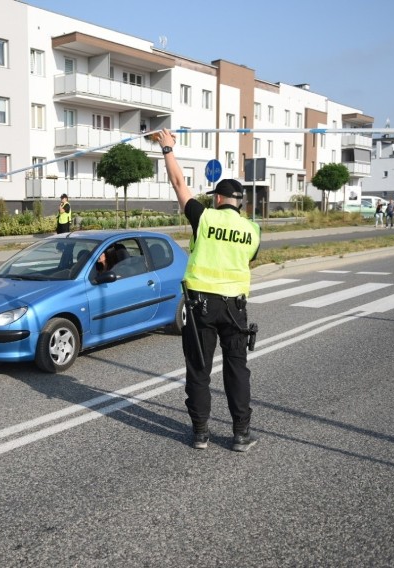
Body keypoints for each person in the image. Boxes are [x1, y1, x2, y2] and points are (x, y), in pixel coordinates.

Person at [157, 128, 261, 452]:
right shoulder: (252, 229)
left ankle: (201, 433)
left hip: (201, 307)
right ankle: (241, 434)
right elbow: (249, 258)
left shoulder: (203, 218)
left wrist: (167, 150)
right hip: (236, 309)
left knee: (199, 370)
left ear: (216, 199)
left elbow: (178, 184)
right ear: (240, 204)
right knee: (236, 369)